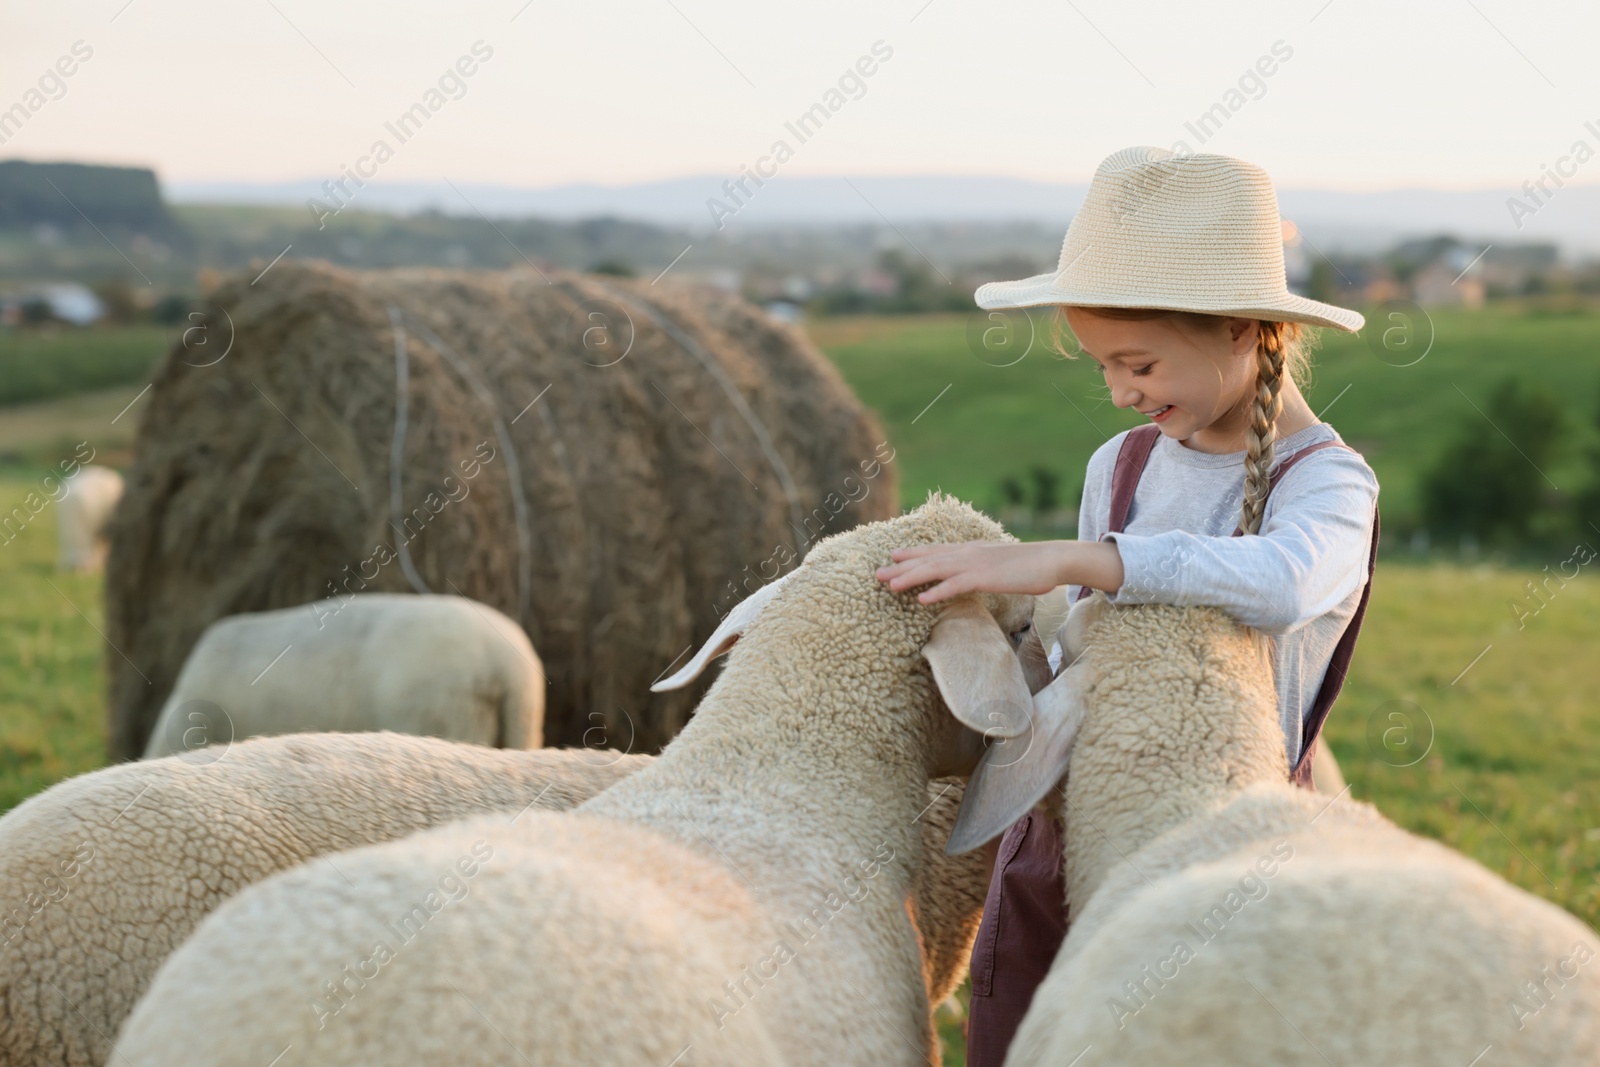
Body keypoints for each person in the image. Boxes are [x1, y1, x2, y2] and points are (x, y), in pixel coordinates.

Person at [874, 146, 1380, 1066]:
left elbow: (1281, 584)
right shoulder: (1122, 463)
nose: (1118, 390)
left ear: (1240, 329)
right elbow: (1075, 650)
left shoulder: (1330, 484)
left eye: (1138, 362)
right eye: (1102, 364)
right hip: (1056, 852)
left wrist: (1077, 558)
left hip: (1221, 856)